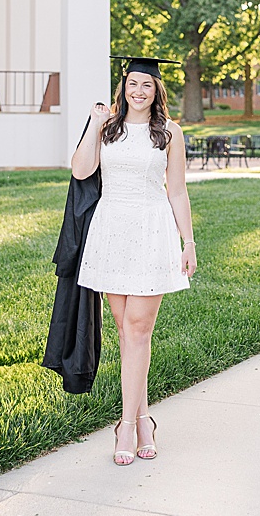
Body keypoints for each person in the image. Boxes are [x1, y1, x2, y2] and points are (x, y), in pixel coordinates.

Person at [71, 57, 198, 466]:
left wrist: (189, 240)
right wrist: (94, 122)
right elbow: (81, 170)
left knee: (139, 329)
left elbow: (176, 191)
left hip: (152, 229)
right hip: (112, 230)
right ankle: (144, 419)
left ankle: (125, 425)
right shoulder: (108, 128)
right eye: (132, 83)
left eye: (146, 85)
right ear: (123, 87)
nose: (138, 91)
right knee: (126, 334)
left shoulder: (169, 134)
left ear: (157, 90)